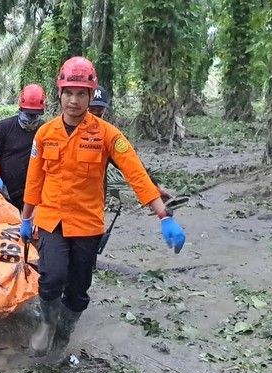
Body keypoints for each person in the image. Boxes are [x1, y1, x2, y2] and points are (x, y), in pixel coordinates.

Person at [20, 57, 187, 357]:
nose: (74, 100)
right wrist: (26, 217)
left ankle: (64, 332)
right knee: (53, 276)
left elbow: (135, 172)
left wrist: (163, 214)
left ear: (90, 95)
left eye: (81, 93)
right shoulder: (45, 134)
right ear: (59, 92)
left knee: (78, 289)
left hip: (86, 223)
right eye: (68, 92)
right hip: (51, 220)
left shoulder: (107, 135)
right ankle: (46, 324)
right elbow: (34, 179)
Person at [88, 85, 172, 201]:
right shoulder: (60, 132)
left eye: (99, 111)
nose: (94, 116)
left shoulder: (109, 137)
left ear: (104, 111)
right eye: (91, 110)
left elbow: (135, 168)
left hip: (94, 206)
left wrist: (155, 189)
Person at [0, 84, 47, 211]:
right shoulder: (4, 127)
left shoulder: (44, 129)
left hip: (33, 190)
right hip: (7, 189)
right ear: (20, 108)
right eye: (28, 114)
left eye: (34, 115)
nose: (30, 120)